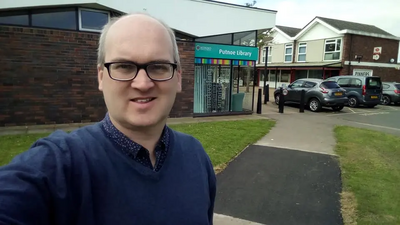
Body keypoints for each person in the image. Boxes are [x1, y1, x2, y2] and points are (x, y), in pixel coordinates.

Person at [0, 12, 216, 225]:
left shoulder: (195, 156)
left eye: (158, 67)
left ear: (178, 78)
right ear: (101, 77)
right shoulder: (61, 165)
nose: (142, 84)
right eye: (124, 66)